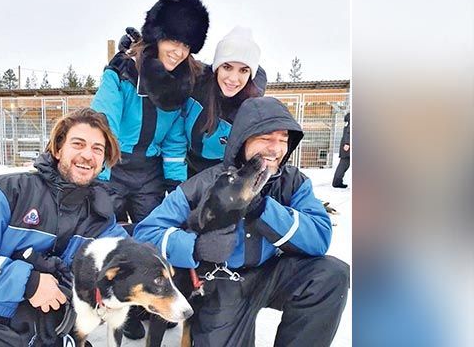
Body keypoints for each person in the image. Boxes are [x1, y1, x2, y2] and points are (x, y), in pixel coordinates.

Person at [134, 97, 350, 347]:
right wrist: (195, 247)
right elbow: (145, 234)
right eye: (266, 138)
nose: (276, 148)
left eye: (283, 139)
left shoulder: (293, 182)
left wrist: (261, 208)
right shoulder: (204, 184)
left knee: (330, 274)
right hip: (221, 283)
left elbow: (320, 237)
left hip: (272, 273)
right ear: (242, 139)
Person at [91, 0, 209, 339]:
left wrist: (174, 182)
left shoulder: (184, 81)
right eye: (173, 40)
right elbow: (104, 119)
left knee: (148, 240)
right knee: (106, 232)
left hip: (149, 172)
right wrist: (100, 173)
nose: (178, 51)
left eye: (187, 45)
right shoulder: (122, 72)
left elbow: (174, 140)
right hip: (114, 163)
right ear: (156, 37)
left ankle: (151, 302)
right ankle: (117, 305)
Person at [0, 108, 127, 346]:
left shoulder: (100, 218)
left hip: (49, 330)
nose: (88, 155)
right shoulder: (5, 193)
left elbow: (129, 255)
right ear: (58, 150)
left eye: (97, 149)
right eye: (78, 144)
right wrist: (27, 282)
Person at [186, 25, 268, 177]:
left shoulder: (251, 110)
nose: (233, 79)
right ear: (217, 67)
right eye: (227, 67)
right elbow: (170, 63)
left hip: (221, 177)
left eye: (243, 70)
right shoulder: (196, 84)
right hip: (184, 168)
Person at [333, 112, 350, 188]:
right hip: (348, 146)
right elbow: (349, 132)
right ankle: (337, 182)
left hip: (346, 145)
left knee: (344, 164)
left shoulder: (349, 119)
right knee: (344, 164)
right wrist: (347, 143)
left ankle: (337, 182)